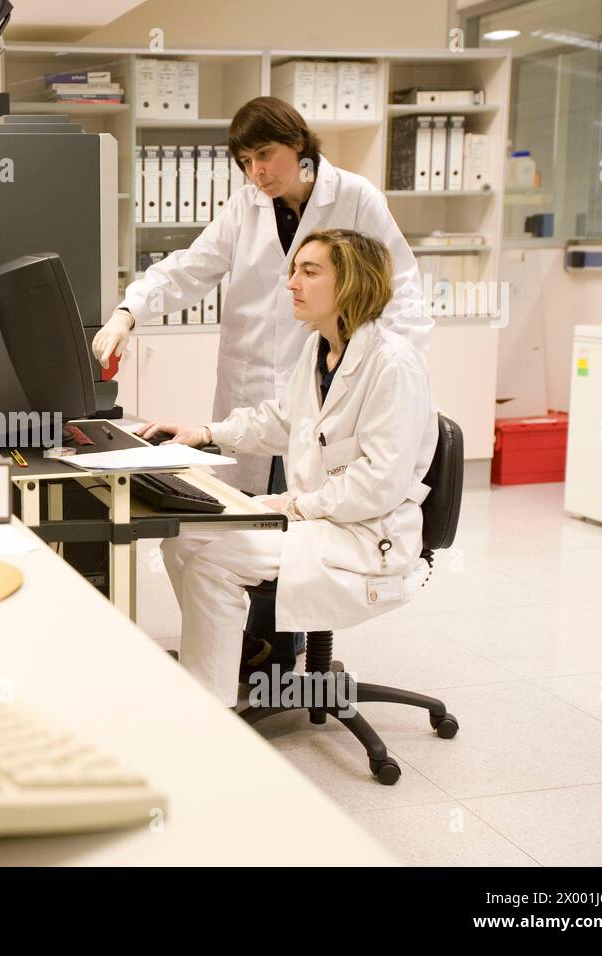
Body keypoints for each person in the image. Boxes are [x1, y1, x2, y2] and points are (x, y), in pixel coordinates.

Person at [92, 95, 432, 673]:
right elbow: (188, 268)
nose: (258, 173)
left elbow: (398, 284)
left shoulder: (353, 199)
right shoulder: (248, 205)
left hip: (346, 388)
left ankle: (274, 659)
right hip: (273, 383)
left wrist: (373, 367)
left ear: (298, 143)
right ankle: (242, 654)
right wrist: (130, 311)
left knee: (276, 524)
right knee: (233, 522)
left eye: (266, 156)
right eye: (246, 161)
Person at [134, 229, 438, 707]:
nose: (291, 283)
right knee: (183, 535)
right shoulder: (319, 350)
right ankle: (226, 657)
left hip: (366, 534)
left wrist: (293, 505)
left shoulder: (392, 366)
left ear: (351, 283)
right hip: (322, 518)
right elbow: (282, 420)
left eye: (309, 272)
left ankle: (209, 712)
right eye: (294, 270)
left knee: (214, 559)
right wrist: (206, 433)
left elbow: (379, 483)